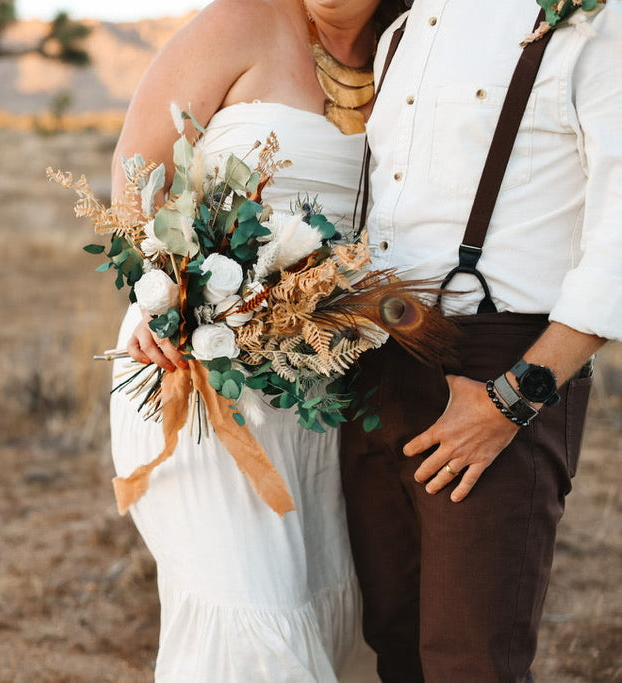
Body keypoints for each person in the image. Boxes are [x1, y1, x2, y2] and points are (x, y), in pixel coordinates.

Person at [110, 0, 406, 679]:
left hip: (319, 391)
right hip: (193, 370)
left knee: (319, 601)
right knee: (250, 608)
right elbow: (137, 168)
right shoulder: (240, 20)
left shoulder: (416, 48)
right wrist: (165, 296)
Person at [339, 0, 621, 680]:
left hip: (499, 367)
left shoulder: (588, 18)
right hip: (378, 365)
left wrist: (514, 399)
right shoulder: (402, 30)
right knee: (396, 644)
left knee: (472, 662)